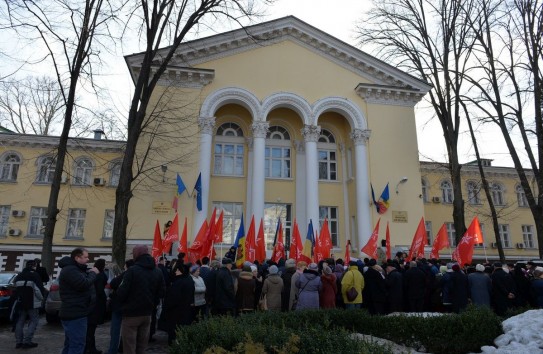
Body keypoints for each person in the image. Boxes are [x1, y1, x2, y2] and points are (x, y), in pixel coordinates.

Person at [116, 245, 165, 354]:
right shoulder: (157, 271)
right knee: (142, 346)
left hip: (131, 314)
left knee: (129, 346)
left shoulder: (132, 270)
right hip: (148, 314)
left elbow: (121, 292)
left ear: (136, 254)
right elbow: (162, 292)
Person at [58, 248, 99, 354]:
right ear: (77, 257)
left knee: (70, 343)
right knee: (77, 345)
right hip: (75, 313)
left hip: (77, 312)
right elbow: (83, 284)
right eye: (85, 257)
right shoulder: (70, 270)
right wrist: (93, 273)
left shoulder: (75, 269)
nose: (88, 259)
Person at [14, 259, 45, 349]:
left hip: (20, 302)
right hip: (32, 303)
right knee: (34, 321)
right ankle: (27, 341)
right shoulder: (35, 275)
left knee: (20, 321)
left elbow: (14, 289)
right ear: (33, 266)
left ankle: (18, 342)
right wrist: (42, 299)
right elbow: (38, 290)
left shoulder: (19, 276)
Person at [163, 263, 194, 345]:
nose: (176, 272)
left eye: (177, 270)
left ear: (182, 271)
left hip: (176, 311)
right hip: (186, 309)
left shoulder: (179, 282)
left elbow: (173, 298)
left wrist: (167, 307)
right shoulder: (189, 279)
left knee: (174, 331)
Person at [107, 260, 134, 354]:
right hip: (131, 306)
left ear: (126, 266)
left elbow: (113, 283)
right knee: (129, 331)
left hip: (119, 305)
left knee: (115, 330)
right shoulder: (139, 275)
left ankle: (113, 350)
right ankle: (123, 348)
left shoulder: (125, 274)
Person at [86, 259, 108, 354]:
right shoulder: (100, 275)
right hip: (96, 304)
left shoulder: (93, 273)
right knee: (91, 327)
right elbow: (99, 290)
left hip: (92, 303)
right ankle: (90, 348)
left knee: (90, 328)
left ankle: (89, 348)